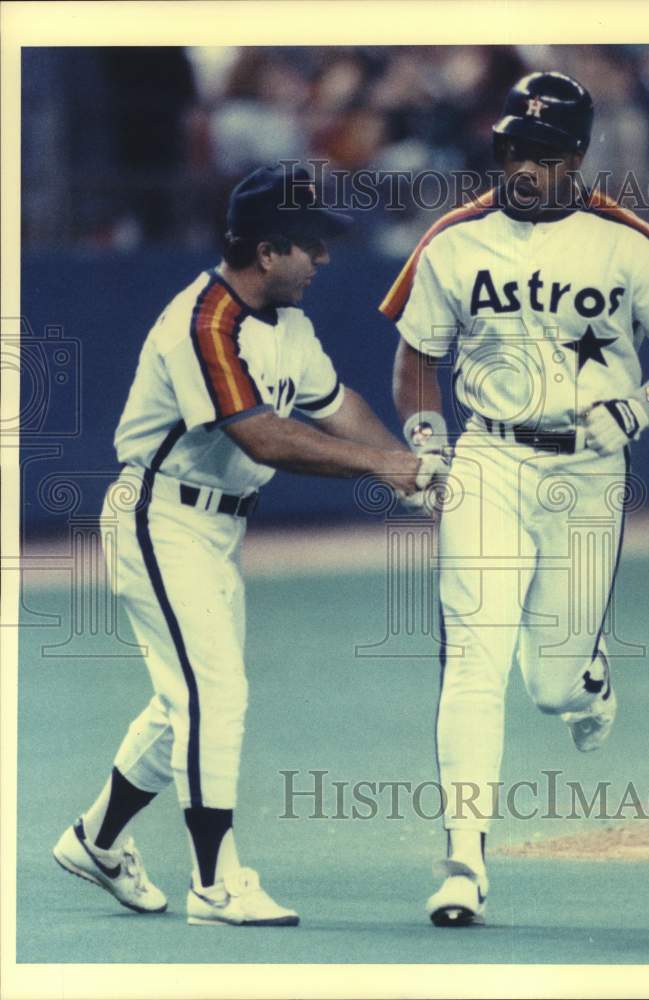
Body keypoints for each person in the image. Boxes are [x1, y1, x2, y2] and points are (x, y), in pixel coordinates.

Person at [53, 164, 440, 927]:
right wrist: (383, 466)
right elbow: (262, 436)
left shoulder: (287, 325)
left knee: (184, 703)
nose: (323, 258)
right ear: (267, 251)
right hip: (158, 515)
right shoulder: (206, 322)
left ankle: (94, 842)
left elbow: (336, 407)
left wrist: (410, 469)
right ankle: (215, 883)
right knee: (214, 694)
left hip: (215, 526)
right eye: (311, 245)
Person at [382, 71, 649, 926]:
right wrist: (427, 442)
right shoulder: (455, 240)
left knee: (552, 685)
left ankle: (588, 683)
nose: (521, 165)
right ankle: (463, 859)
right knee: (474, 660)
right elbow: (417, 358)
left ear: (576, 156)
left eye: (540, 151)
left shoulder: (625, 242)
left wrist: (643, 407)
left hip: (588, 468)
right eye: (511, 148)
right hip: (490, 459)